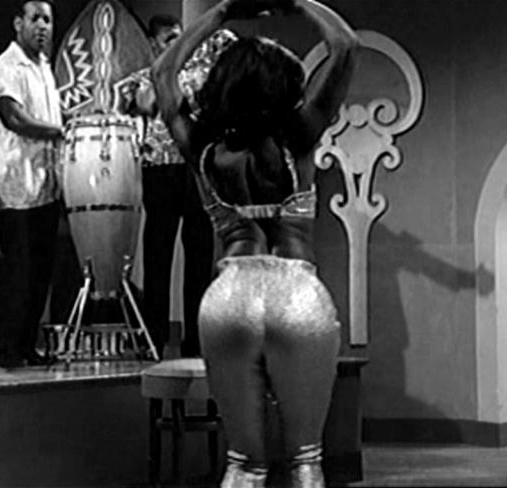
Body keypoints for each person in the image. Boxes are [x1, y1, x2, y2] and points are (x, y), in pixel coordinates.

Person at [152, 0, 357, 486]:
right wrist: (296, 1)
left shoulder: (202, 146)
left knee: (243, 463)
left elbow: (162, 73)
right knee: (305, 460)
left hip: (228, 301)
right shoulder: (299, 134)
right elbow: (346, 45)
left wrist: (222, 12)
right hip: (296, 296)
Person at [117, 14, 215, 358]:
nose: (176, 44)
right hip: (159, 171)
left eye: (179, 37)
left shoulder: (201, 71)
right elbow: (144, 103)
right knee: (158, 255)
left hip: (196, 168)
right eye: (168, 40)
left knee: (200, 254)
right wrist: (163, 76)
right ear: (153, 44)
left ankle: (196, 342)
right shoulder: (144, 78)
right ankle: (153, 338)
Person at [0, 0, 63, 368]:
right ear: (18, 23)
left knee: (40, 272)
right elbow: (13, 117)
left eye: (47, 19)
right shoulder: (5, 67)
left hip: (45, 185)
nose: (42, 26)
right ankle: (7, 347)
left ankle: (27, 346)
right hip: (15, 186)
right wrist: (59, 131)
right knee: (19, 271)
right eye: (35, 19)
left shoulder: (45, 69)